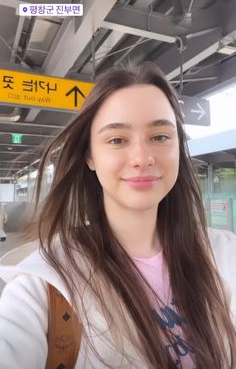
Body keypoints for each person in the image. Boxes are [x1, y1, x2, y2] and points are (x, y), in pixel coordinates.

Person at [0, 61, 235, 369]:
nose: (142, 158)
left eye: (161, 136)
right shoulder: (45, 284)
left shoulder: (225, 252)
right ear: (90, 157)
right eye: (117, 140)